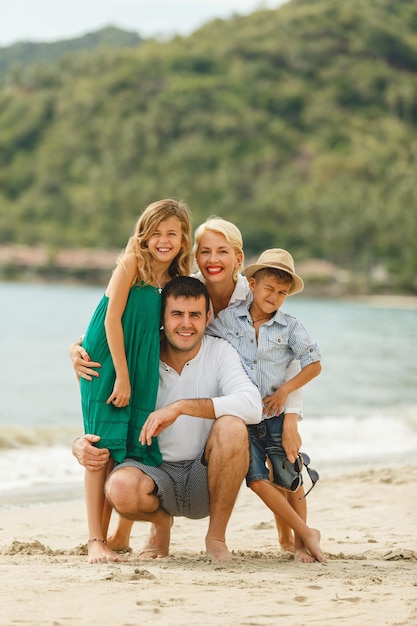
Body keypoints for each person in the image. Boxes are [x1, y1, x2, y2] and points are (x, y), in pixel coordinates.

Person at [71, 217, 304, 555]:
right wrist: (79, 345)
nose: (213, 259)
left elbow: (289, 354)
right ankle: (141, 530)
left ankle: (291, 539)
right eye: (205, 251)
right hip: (218, 389)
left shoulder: (252, 293)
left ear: (238, 259)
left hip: (262, 390)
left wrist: (293, 415)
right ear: (195, 256)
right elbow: (135, 325)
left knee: (279, 457)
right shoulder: (184, 287)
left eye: (222, 251)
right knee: (141, 426)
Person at [74, 276, 264, 562]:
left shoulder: (219, 351)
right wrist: (79, 443)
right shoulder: (139, 354)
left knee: (233, 425)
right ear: (162, 317)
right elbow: (102, 410)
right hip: (152, 470)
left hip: (204, 477)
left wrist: (181, 407)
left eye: (195, 315)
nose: (186, 324)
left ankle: (215, 538)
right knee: (119, 488)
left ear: (208, 316)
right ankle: (161, 525)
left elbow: (252, 405)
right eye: (177, 314)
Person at [77, 198, 192, 563]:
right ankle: (96, 540)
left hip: (141, 369)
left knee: (124, 448)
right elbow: (111, 321)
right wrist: (121, 377)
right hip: (108, 364)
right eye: (156, 232)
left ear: (183, 239)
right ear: (144, 235)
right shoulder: (131, 264)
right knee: (100, 449)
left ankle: (115, 537)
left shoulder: (177, 280)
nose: (163, 240)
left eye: (171, 233)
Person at [208, 247, 323, 562]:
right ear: (253, 284)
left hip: (274, 413)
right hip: (244, 418)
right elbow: (197, 340)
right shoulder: (228, 319)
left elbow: (313, 364)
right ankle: (306, 532)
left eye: (282, 293)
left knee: (290, 475)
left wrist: (285, 392)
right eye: (269, 288)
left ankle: (301, 542)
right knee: (258, 480)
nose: (274, 296)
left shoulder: (290, 327)